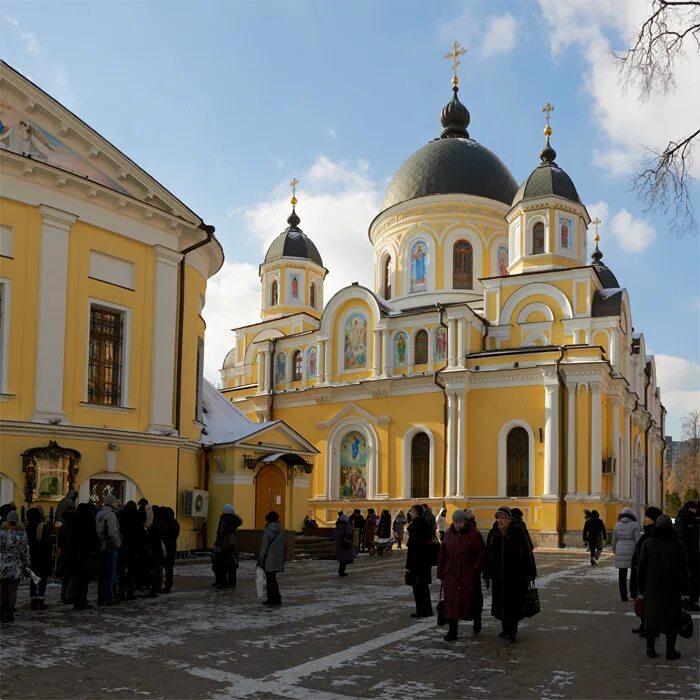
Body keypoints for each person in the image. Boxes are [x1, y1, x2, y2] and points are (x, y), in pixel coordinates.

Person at [637, 514, 690, 660]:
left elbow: (641, 568)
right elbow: (684, 569)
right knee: (672, 619)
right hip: (672, 588)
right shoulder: (678, 544)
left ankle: (650, 648)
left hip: (652, 587)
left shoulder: (648, 543)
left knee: (651, 618)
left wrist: (640, 590)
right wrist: (685, 590)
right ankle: (670, 650)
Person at [483, 506, 537, 643]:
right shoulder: (493, 534)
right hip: (498, 576)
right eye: (498, 517)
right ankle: (505, 628)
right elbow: (488, 555)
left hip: (516, 575)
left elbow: (527, 552)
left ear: (509, 519)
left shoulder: (518, 532)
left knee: (513, 603)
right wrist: (487, 574)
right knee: (501, 602)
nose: (500, 520)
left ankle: (512, 631)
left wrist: (530, 572)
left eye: (503, 518)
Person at [437, 509, 486, 641]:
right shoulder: (448, 534)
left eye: (460, 522)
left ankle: (477, 620)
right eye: (455, 522)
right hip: (451, 575)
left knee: (472, 600)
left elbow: (481, 554)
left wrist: (475, 570)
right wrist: (441, 572)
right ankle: (452, 631)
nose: (458, 525)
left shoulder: (474, 535)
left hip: (468, 576)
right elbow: (442, 555)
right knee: (451, 602)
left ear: (465, 521)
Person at [630, 506, 663, 637]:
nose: (645, 519)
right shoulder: (649, 533)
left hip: (647, 575)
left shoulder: (652, 534)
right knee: (644, 604)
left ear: (653, 519)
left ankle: (650, 628)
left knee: (648, 603)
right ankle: (644, 625)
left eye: (647, 517)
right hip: (642, 572)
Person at [0, 511, 30, 623]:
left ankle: (2, 607)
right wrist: (27, 562)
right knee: (12, 588)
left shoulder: (2, 533)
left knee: (3, 587)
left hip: (3, 564)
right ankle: (10, 610)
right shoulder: (21, 533)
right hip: (15, 564)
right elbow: (25, 550)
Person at [70, 503, 100, 610]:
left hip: (78, 555)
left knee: (79, 579)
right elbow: (94, 539)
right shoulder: (89, 523)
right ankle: (82, 601)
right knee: (84, 580)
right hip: (86, 555)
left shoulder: (76, 523)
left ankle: (79, 600)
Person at [405, 504, 433, 618]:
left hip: (417, 563)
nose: (410, 513)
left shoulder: (416, 527)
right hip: (425, 562)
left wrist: (409, 565)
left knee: (418, 588)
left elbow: (413, 549)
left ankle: (421, 611)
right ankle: (428, 610)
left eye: (411, 511)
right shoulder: (425, 524)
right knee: (424, 587)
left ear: (415, 513)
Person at [96, 494, 121, 606]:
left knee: (102, 573)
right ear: (111, 503)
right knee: (111, 573)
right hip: (110, 546)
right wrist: (118, 543)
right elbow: (113, 533)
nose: (117, 504)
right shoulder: (111, 515)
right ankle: (109, 597)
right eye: (115, 502)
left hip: (101, 545)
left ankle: (101, 597)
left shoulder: (99, 514)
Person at [25, 506, 53, 611]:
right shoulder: (43, 527)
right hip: (43, 556)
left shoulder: (28, 527)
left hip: (32, 556)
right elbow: (47, 543)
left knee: (34, 578)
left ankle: (33, 599)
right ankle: (40, 599)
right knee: (42, 578)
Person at [674, 500, 699, 611]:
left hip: (690, 553)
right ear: (692, 508)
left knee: (692, 578)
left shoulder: (688, 517)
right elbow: (683, 537)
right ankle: (689, 601)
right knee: (691, 578)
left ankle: (690, 600)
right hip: (689, 554)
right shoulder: (686, 518)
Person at [612, 507, 641, 601]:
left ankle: (623, 596)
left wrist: (614, 550)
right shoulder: (635, 525)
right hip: (632, 550)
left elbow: (614, 539)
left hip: (620, 548)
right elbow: (638, 540)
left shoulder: (617, 525)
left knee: (622, 574)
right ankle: (633, 593)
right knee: (634, 573)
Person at [258, 511, 286, 606]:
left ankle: (271, 599)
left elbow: (264, 546)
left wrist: (261, 558)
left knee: (270, 579)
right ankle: (277, 598)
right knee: (273, 578)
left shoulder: (268, 530)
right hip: (277, 557)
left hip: (268, 557)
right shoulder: (282, 529)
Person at [213, 504, 243, 589]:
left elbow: (220, 532)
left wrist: (217, 544)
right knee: (232, 564)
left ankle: (222, 582)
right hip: (233, 544)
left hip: (224, 544)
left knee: (221, 564)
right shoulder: (235, 519)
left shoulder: (224, 519)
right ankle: (232, 582)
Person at [159, 507, 180, 593]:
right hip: (172, 546)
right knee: (169, 567)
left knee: (163, 566)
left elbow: (162, 533)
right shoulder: (175, 523)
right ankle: (169, 584)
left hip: (165, 546)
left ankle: (165, 584)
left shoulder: (165, 523)